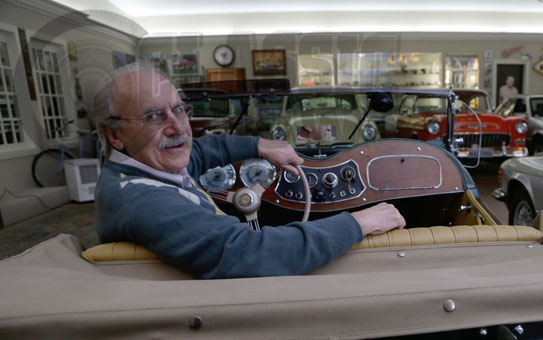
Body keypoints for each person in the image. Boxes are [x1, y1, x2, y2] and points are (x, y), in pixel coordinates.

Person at [92, 64, 405, 279]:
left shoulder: (143, 166)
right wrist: (359, 221)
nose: (178, 127)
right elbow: (254, 254)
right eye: (153, 116)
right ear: (114, 134)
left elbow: (199, 151)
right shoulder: (143, 201)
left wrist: (259, 146)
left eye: (179, 109)